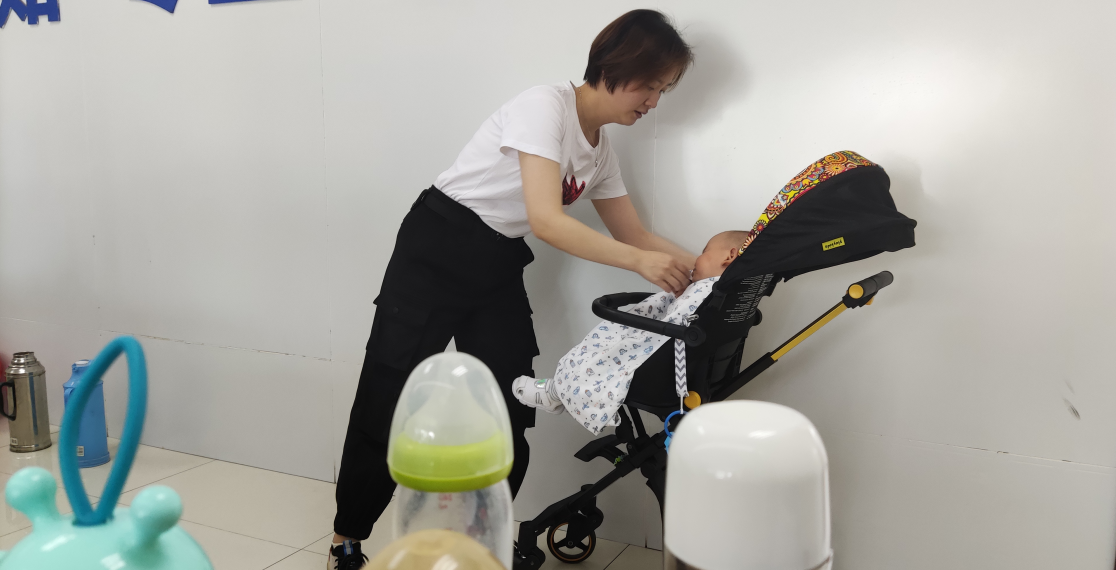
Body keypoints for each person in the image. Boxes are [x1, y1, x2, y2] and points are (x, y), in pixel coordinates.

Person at [329, 10, 695, 570]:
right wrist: (641, 262)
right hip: (437, 245)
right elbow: (547, 221)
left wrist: (712, 267)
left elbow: (637, 235)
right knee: (390, 391)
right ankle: (347, 539)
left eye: (664, 90)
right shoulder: (544, 106)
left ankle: (484, 542)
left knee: (510, 399)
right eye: (651, 85)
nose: (653, 102)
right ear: (616, 65)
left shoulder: (601, 154)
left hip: (495, 261)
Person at [512, 231, 747, 433]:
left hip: (664, 372)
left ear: (729, 256)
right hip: (699, 373)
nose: (697, 258)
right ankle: (559, 391)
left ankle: (556, 391)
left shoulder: (707, 292)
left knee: (604, 353)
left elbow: (673, 324)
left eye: (704, 251)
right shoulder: (731, 297)